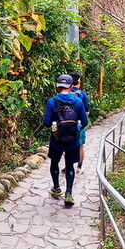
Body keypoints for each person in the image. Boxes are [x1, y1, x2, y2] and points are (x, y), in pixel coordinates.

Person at [42, 74, 87, 207]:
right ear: (71, 86)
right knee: (70, 166)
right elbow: (84, 122)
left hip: (56, 139)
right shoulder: (77, 101)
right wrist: (74, 129)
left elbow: (46, 122)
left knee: (54, 163)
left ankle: (56, 187)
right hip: (72, 140)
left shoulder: (52, 101)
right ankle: (68, 194)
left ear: (57, 86)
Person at [68, 71, 90, 173]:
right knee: (80, 145)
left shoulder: (64, 94)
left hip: (66, 124)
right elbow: (87, 112)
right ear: (79, 82)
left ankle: (69, 165)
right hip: (79, 124)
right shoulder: (82, 95)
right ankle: (79, 167)